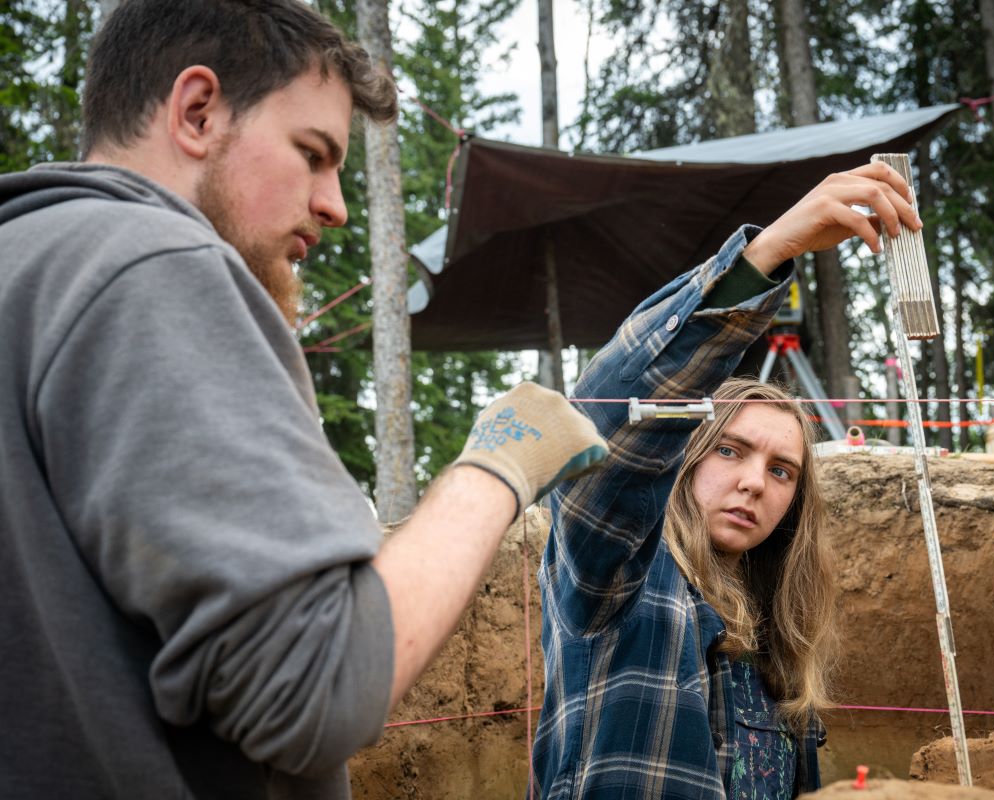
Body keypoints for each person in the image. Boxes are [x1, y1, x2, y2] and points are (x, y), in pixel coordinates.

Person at [0, 1, 605, 797]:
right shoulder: (152, 265)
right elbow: (317, 686)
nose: (335, 205)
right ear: (197, 111)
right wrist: (499, 465)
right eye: (312, 153)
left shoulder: (27, 267)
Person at [531, 164, 922, 798]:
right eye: (730, 451)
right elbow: (608, 421)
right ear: (684, 460)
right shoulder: (619, 579)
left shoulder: (780, 641)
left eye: (781, 471)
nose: (753, 483)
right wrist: (766, 253)